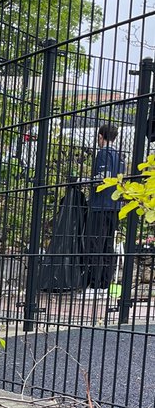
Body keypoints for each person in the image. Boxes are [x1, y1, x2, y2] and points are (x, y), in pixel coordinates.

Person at [83, 123, 124, 291]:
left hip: (100, 205)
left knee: (94, 244)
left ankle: (93, 285)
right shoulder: (120, 156)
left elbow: (102, 177)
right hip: (115, 206)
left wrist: (84, 181)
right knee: (108, 245)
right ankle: (104, 286)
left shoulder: (103, 153)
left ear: (101, 136)